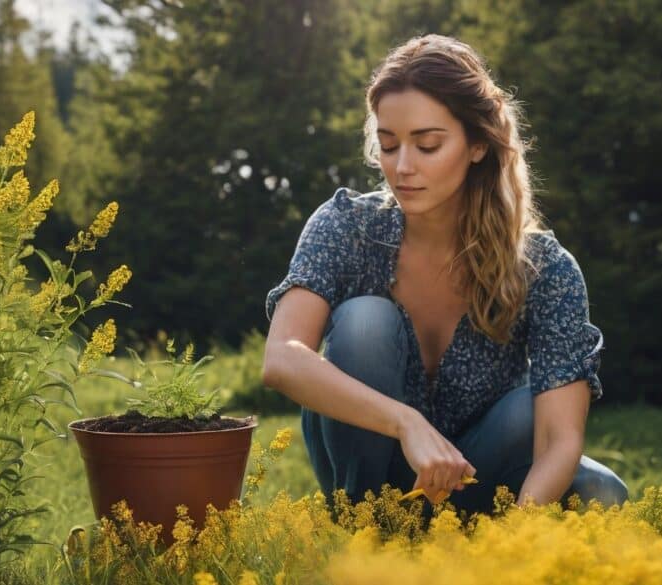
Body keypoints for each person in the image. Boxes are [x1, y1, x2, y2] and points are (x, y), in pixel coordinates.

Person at [261, 34, 628, 518]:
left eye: (428, 145)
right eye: (389, 146)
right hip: (368, 475)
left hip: (477, 478)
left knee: (596, 485)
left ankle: (463, 537)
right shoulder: (346, 226)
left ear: (478, 145)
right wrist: (405, 423)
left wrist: (522, 540)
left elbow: (560, 439)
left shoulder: (545, 267)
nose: (403, 167)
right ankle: (365, 530)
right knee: (365, 320)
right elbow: (282, 361)